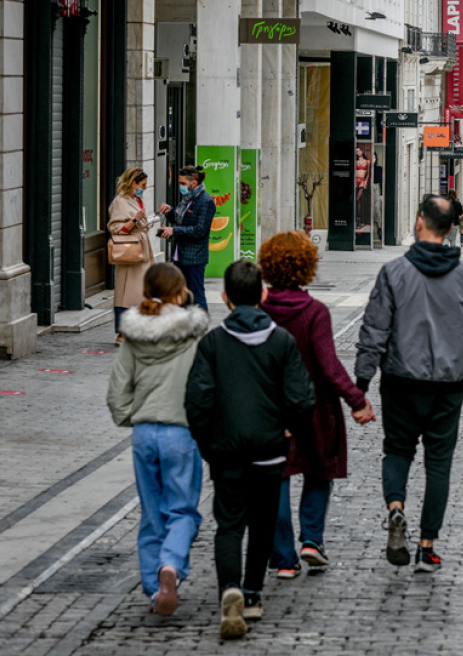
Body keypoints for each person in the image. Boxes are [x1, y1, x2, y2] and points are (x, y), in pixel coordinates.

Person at [355, 194, 463, 573]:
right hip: (447, 386)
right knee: (438, 464)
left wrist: (360, 388)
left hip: (400, 380)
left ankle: (396, 507)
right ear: (451, 230)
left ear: (418, 223)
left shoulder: (394, 273)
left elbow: (374, 331)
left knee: (398, 452)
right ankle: (427, 546)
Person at [185, 260, 316, 639]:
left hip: (226, 450)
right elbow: (301, 397)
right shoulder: (281, 341)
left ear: (224, 298)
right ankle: (254, 593)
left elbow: (197, 401)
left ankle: (230, 588)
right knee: (261, 525)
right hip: (269, 450)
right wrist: (291, 428)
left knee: (228, 525)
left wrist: (207, 444)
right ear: (263, 295)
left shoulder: (212, 343)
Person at [259, 232, 376, 580]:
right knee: (318, 469)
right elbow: (328, 365)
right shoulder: (314, 312)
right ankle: (311, 540)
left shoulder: (260, 312)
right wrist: (357, 400)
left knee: (276, 476)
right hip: (314, 407)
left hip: (271, 410)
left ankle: (282, 557)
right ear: (307, 267)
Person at [107, 263, 209, 617]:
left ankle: (155, 588)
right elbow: (206, 387)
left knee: (152, 515)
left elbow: (118, 390)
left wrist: (129, 418)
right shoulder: (194, 334)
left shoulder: (134, 335)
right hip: (181, 431)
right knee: (182, 510)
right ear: (180, 293)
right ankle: (171, 565)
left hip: (145, 433)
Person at [157, 165, 215, 313]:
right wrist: (170, 211)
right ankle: (184, 325)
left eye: (183, 183)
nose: (180, 186)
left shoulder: (205, 201)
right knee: (181, 295)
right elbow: (179, 220)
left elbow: (199, 230)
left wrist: (173, 230)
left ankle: (202, 326)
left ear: (193, 183)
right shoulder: (187, 199)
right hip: (180, 255)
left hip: (194, 257)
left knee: (196, 296)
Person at [108, 168, 156, 345]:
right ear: (133, 183)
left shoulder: (137, 199)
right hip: (130, 252)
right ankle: (123, 332)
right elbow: (116, 228)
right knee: (126, 294)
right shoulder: (120, 201)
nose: (144, 188)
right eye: (142, 185)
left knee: (140, 293)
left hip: (141, 250)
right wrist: (134, 220)